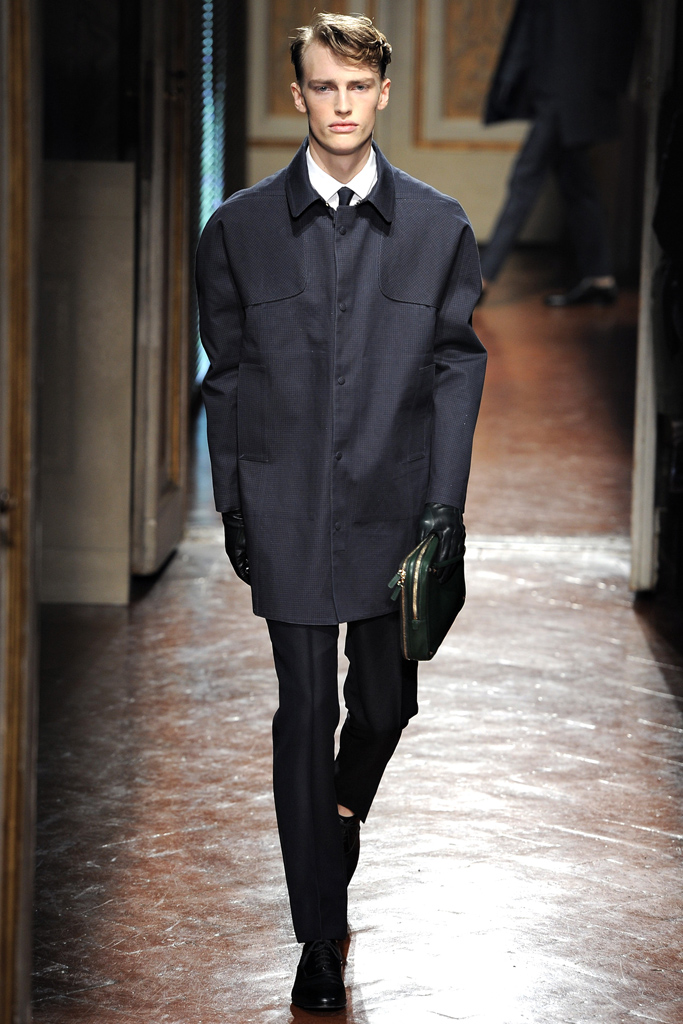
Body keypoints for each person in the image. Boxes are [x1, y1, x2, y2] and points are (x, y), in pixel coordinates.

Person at [195, 13, 486, 1012]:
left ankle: (339, 813)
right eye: (323, 86)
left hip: (393, 506)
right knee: (304, 712)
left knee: (387, 705)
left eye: (357, 87)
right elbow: (227, 376)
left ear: (382, 94)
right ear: (298, 95)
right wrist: (234, 499)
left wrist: (443, 507)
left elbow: (455, 367)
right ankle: (317, 936)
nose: (341, 104)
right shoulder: (237, 232)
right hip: (283, 503)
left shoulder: (438, 228)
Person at [480, 0, 640, 305]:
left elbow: (623, 20)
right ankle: (600, 277)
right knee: (577, 184)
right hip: (568, 89)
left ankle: (480, 280)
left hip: (564, 92)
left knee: (525, 179)